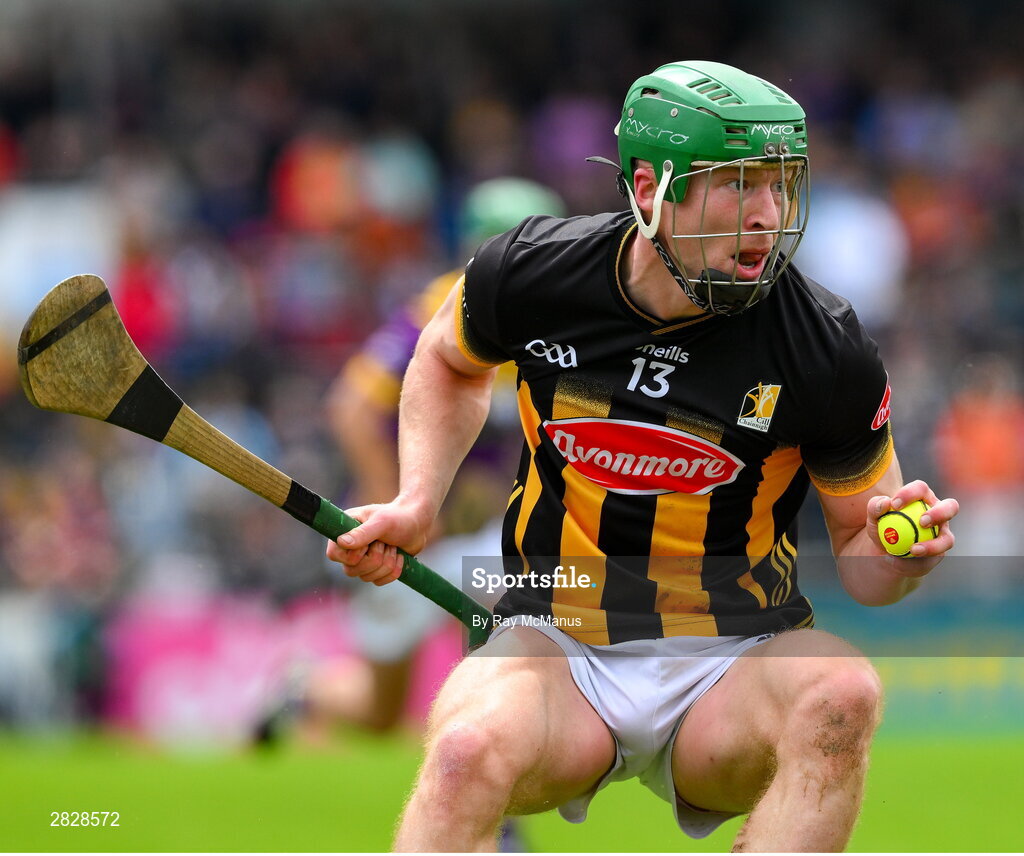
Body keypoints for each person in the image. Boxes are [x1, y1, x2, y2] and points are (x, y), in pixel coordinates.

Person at [327, 60, 959, 852]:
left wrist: (904, 555)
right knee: (462, 753)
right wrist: (417, 499)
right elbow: (446, 360)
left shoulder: (825, 347)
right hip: (558, 638)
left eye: (781, 184)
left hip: (732, 657)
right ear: (653, 188)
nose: (768, 215)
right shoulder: (531, 272)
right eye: (738, 185)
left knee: (842, 695)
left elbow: (866, 559)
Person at [259, 179, 565, 742]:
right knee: (381, 711)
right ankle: (302, 691)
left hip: (482, 537)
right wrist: (407, 501)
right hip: (411, 533)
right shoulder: (444, 305)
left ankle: (495, 801)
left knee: (497, 629)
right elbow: (350, 406)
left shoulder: (563, 321)